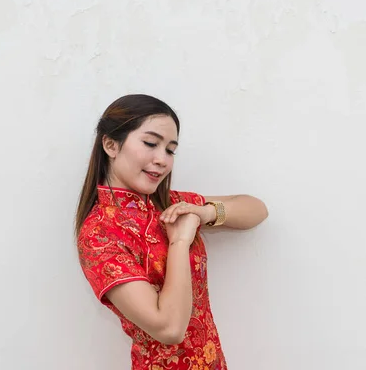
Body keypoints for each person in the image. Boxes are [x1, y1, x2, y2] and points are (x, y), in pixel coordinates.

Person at [75, 94, 268, 370]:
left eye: (170, 150)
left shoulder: (171, 205)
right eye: (151, 143)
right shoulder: (99, 234)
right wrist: (179, 241)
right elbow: (169, 328)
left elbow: (257, 209)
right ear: (110, 144)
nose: (162, 159)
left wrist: (207, 213)